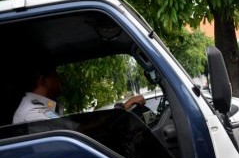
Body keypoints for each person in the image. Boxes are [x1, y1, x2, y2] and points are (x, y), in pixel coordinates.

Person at [13, 65, 145, 124]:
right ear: (44, 81)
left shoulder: (39, 106)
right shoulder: (33, 112)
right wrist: (121, 110)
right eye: (55, 76)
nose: (59, 81)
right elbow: (77, 132)